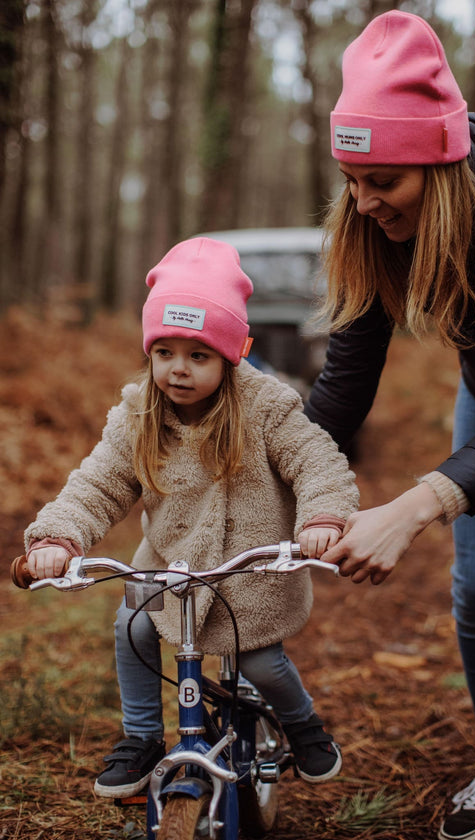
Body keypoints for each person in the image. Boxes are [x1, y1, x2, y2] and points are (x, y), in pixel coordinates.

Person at [303, 9, 475, 840]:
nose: (363, 200)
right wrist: (269, 484)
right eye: (350, 179)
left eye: (383, 183)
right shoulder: (366, 212)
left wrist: (414, 507)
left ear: (441, 164)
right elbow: (345, 380)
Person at [24, 236, 359, 798]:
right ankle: (141, 737)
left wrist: (323, 519)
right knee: (131, 628)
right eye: (165, 353)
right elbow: (97, 484)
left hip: (252, 577)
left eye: (198, 356)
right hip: (168, 571)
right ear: (149, 352)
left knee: (261, 664)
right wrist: (59, 535)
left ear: (233, 354)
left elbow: (317, 462)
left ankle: (302, 724)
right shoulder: (137, 415)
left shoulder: (267, 407)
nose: (178, 370)